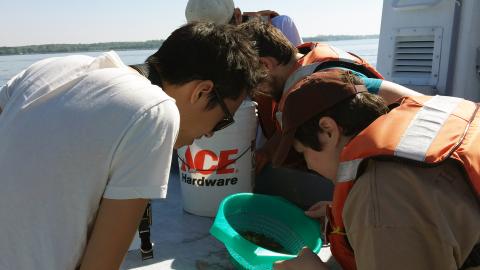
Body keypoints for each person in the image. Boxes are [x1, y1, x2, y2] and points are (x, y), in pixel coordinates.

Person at [0, 22, 266, 270]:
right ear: (201, 91)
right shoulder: (155, 112)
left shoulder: (50, 69)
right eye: (223, 120)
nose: (210, 134)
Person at [271, 69, 480, 270]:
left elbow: (391, 208)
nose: (307, 165)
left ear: (328, 131)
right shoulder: (417, 131)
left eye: (303, 153)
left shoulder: (379, 200)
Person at [238, 19, 422, 209]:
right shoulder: (315, 69)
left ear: (265, 65)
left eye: (253, 83)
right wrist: (268, 151)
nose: (256, 92)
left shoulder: (324, 87)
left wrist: (343, 207)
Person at [184, 0, 303, 46]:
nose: (214, 42)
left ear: (237, 16)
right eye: (203, 37)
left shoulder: (280, 26)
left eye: (220, 32)